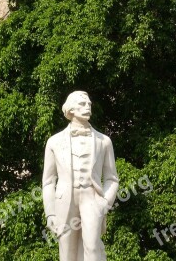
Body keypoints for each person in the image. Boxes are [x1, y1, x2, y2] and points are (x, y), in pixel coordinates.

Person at [42, 91, 119, 260]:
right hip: (64, 202)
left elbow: (112, 178)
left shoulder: (104, 141)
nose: (88, 107)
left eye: (89, 104)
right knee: (66, 251)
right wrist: (50, 213)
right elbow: (48, 182)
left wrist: (104, 203)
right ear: (71, 109)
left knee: (92, 248)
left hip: (92, 199)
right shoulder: (54, 142)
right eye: (82, 104)